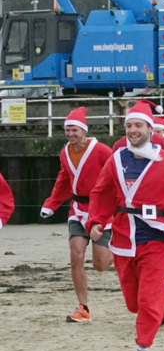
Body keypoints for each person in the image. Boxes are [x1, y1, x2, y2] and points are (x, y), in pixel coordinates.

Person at [86, 100, 164, 351]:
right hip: (124, 237)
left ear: (151, 129)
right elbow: (100, 192)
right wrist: (96, 220)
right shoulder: (116, 159)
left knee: (149, 299)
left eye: (138, 125)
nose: (132, 130)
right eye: (129, 125)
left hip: (156, 235)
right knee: (134, 302)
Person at [40, 107, 114, 322]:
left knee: (100, 265)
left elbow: (117, 173)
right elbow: (64, 179)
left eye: (74, 130)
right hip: (78, 210)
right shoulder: (65, 152)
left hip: (101, 210)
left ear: (83, 130)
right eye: (67, 130)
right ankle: (83, 308)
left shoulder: (101, 150)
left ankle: (120, 251)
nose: (71, 134)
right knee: (76, 256)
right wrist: (51, 204)